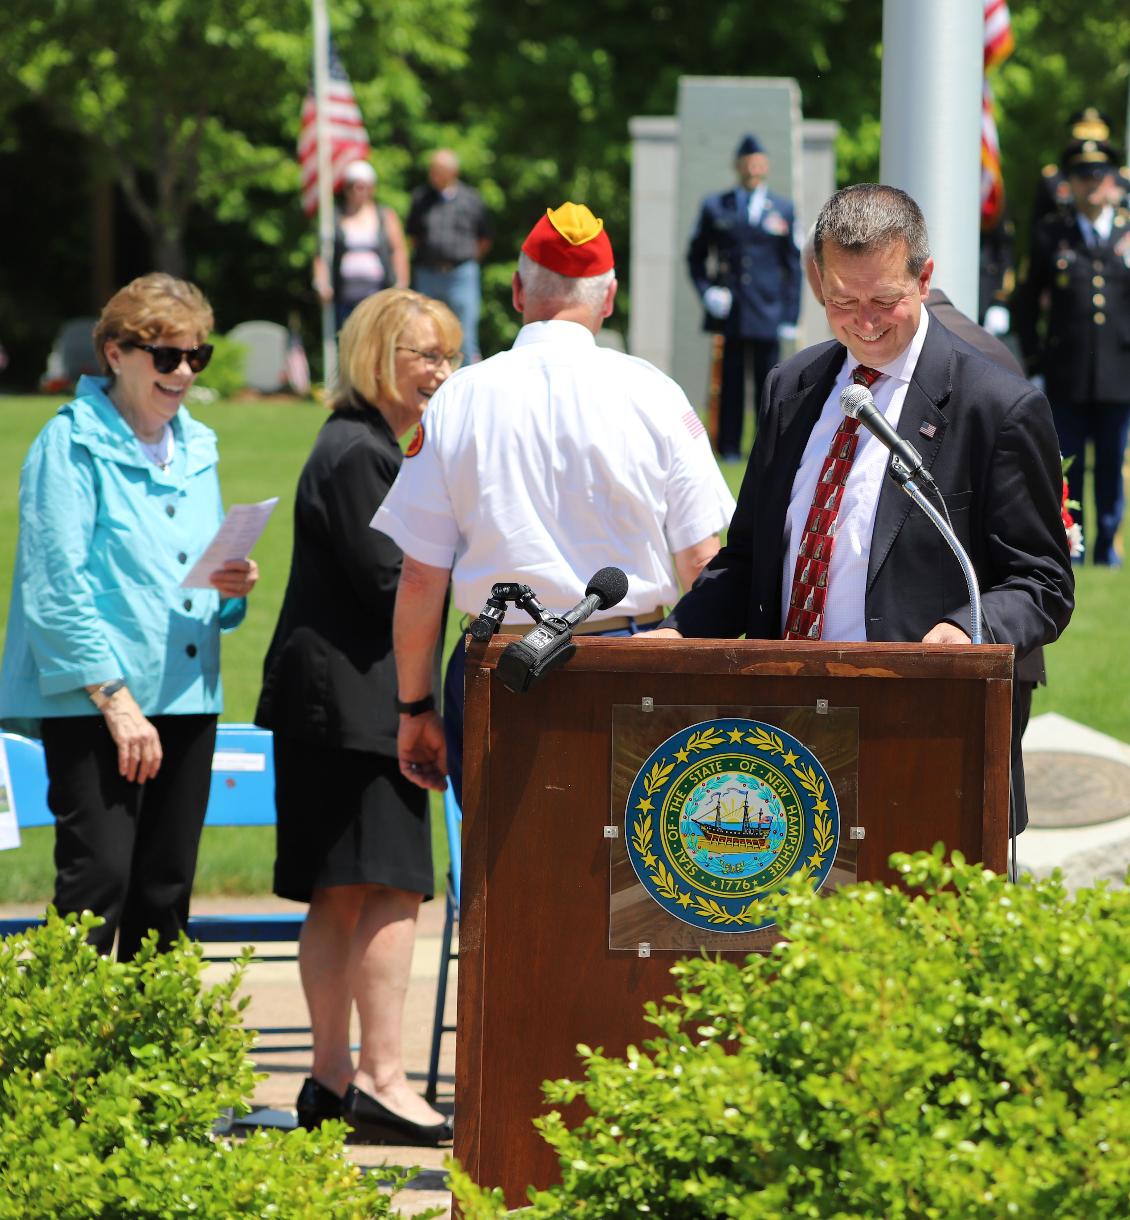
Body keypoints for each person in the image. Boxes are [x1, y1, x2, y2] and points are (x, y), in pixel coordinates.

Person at [655, 183, 1074, 838]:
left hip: (919, 733)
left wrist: (968, 628)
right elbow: (750, 560)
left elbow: (1043, 584)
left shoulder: (995, 406)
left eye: (885, 300)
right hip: (784, 735)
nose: (864, 322)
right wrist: (677, 633)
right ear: (819, 283)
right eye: (842, 301)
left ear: (925, 277)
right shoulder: (792, 387)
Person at [373, 202, 736, 805]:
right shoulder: (654, 393)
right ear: (610, 296)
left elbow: (419, 578)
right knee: (634, 886)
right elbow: (703, 562)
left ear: (518, 291)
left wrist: (414, 706)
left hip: (497, 662)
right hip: (631, 662)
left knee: (503, 886)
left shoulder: (457, 399)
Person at [0, 273, 259, 959]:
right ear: (115, 353)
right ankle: (62, 1063)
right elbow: (54, 588)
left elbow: (194, 576)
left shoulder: (197, 446)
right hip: (98, 703)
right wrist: (115, 702)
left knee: (166, 893)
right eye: (165, 355)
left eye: (195, 356)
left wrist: (231, 588)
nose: (182, 372)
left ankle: (157, 1058)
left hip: (187, 694)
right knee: (97, 886)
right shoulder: (70, 444)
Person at [254, 288, 459, 1146]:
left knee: (348, 893)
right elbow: (392, 582)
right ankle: (376, 1078)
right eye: (423, 355)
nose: (440, 372)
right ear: (378, 356)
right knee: (386, 892)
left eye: (448, 355)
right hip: (354, 706)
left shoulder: (366, 446)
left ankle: (332, 1082)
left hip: (335, 703)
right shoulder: (360, 454)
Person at [1014, 137, 1130, 568]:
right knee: (1068, 465)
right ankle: (1071, 543)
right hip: (1066, 372)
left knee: (1111, 465)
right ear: (1071, 182)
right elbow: (1026, 303)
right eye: (1082, 175)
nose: (1091, 183)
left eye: (1099, 175)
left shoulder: (1126, 231)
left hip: (1119, 373)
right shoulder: (1052, 234)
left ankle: (1108, 545)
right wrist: (1035, 364)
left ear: (1112, 180)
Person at [687, 133, 801, 460]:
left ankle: (766, 447)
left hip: (768, 309)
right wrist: (707, 291)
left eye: (758, 160)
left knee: (770, 384)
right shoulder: (716, 206)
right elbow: (695, 256)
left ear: (765, 165)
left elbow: (791, 265)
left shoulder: (782, 208)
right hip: (732, 310)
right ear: (736, 166)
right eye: (746, 161)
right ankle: (729, 449)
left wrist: (791, 316)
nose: (752, 167)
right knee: (731, 385)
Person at [406, 149, 492, 361]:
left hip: (461, 274)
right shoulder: (421, 198)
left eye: (438, 171)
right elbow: (413, 236)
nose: (433, 175)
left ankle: (468, 382)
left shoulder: (470, 199)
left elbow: (484, 238)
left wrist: (466, 260)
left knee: (465, 335)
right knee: (426, 331)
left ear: (452, 172)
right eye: (432, 170)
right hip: (428, 273)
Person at [313, 160, 410, 329]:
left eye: (363, 186)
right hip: (345, 296)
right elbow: (321, 253)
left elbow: (398, 249)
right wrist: (321, 283)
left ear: (372, 188)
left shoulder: (384, 215)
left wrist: (401, 283)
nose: (358, 191)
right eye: (353, 186)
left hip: (378, 295)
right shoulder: (334, 217)